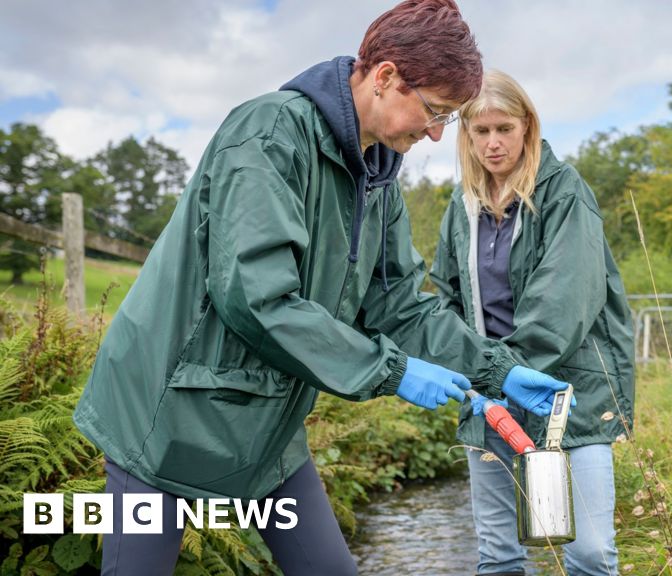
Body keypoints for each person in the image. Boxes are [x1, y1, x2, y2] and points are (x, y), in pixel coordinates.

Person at [73, 3, 569, 575]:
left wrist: (496, 369)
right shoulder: (266, 135)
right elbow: (257, 301)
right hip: (166, 411)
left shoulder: (377, 170)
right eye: (435, 111)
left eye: (448, 119)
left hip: (268, 421)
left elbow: (399, 300)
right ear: (384, 77)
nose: (436, 134)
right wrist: (395, 372)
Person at [430, 70, 636, 576]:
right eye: (481, 131)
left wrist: (506, 373)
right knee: (498, 557)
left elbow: (563, 300)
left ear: (528, 127)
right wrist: (472, 377)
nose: (493, 143)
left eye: (505, 128)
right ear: (467, 136)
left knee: (589, 553)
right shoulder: (461, 208)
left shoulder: (564, 193)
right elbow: (447, 299)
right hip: (491, 400)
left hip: (571, 392)